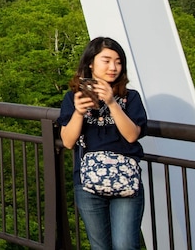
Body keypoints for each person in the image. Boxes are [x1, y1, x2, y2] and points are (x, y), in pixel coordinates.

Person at [58, 37, 147, 250]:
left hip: (125, 179)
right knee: (99, 246)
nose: (113, 67)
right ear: (91, 63)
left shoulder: (130, 98)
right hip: (87, 181)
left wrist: (111, 102)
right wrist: (79, 112)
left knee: (125, 245)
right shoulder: (73, 98)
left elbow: (132, 135)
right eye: (106, 61)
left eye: (118, 62)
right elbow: (68, 141)